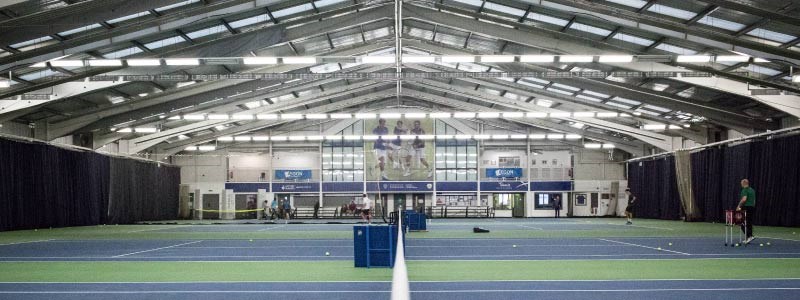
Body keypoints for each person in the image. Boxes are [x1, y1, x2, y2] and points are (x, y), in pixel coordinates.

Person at [737, 179, 756, 244]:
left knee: (741, 222)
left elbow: (744, 199)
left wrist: (739, 206)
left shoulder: (744, 190)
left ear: (744, 183)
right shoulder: (752, 190)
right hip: (752, 207)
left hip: (746, 207)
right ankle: (749, 237)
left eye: (741, 183)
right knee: (749, 223)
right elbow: (754, 201)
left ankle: (749, 236)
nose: (741, 184)